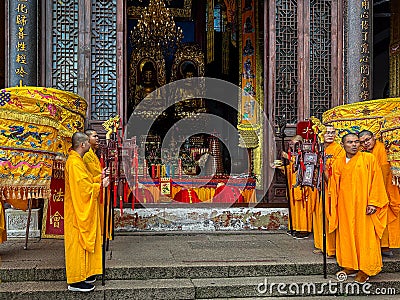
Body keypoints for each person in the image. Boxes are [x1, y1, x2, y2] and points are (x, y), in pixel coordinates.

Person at [328, 133, 388, 283]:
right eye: (350, 142)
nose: (354, 145)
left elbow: (377, 181)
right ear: (343, 145)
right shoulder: (338, 162)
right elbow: (334, 185)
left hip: (364, 206)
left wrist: (373, 202)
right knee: (347, 235)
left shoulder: (369, 159)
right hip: (345, 206)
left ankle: (365, 269)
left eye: (356, 142)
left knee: (365, 236)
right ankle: (350, 264)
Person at [64, 132, 109, 292]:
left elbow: (87, 179)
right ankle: (76, 281)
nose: (91, 144)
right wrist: (99, 186)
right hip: (77, 210)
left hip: (79, 207)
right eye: (88, 142)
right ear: (82, 144)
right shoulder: (74, 162)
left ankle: (86, 273)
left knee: (83, 244)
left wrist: (98, 180)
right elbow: (83, 188)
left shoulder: (78, 161)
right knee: (77, 243)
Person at [358, 129, 400, 257]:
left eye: (368, 139)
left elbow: (388, 170)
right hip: (371, 189)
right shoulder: (362, 153)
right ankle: (377, 245)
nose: (366, 143)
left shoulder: (383, 148)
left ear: (374, 137)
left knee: (386, 216)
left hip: (386, 188)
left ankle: (386, 246)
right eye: (362, 142)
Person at [313, 125, 344, 257]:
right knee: (321, 215)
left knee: (331, 216)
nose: (330, 135)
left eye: (332, 132)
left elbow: (339, 167)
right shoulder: (318, 148)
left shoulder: (338, 148)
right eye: (327, 132)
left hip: (333, 186)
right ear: (321, 134)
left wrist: (325, 167)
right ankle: (322, 245)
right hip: (321, 186)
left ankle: (332, 249)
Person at [282, 135, 315, 240]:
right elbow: (292, 169)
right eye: (292, 143)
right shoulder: (294, 153)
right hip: (293, 184)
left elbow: (302, 165)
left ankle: (304, 229)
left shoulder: (306, 153)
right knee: (295, 207)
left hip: (303, 185)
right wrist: (282, 167)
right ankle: (295, 226)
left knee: (303, 207)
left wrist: (288, 158)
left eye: (296, 143)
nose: (294, 146)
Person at [83, 129, 112, 241]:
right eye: (94, 136)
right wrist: (102, 175)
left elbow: (97, 171)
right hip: (95, 187)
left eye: (97, 136)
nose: (97, 138)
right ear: (87, 140)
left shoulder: (93, 154)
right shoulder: (87, 155)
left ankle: (103, 234)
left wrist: (103, 172)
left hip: (99, 186)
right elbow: (91, 174)